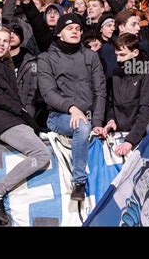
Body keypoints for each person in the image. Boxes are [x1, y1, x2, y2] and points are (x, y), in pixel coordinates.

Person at [0, 27, 51, 225]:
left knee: (44, 145)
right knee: (41, 155)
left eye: (5, 41)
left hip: (11, 117)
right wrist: (19, 110)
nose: (1, 44)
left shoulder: (4, 64)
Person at [38, 14, 106, 201]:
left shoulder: (91, 56)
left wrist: (98, 121)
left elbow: (100, 91)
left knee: (86, 124)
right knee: (82, 126)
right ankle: (79, 182)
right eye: (69, 28)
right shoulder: (46, 58)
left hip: (88, 115)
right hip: (59, 116)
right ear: (59, 33)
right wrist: (71, 108)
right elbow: (48, 93)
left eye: (78, 28)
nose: (75, 31)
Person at [97, 33, 149, 157]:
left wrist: (130, 141)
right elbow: (111, 103)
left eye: (122, 55)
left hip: (139, 138)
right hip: (118, 134)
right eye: (117, 55)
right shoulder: (116, 75)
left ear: (135, 53)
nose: (118, 59)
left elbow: (147, 112)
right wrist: (111, 120)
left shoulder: (148, 75)